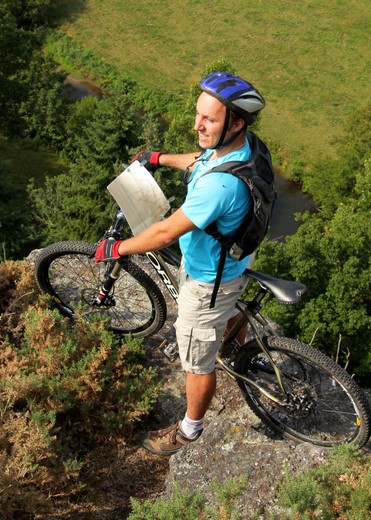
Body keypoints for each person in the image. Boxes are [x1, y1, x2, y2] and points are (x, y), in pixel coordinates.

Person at [92, 71, 271, 455]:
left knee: (195, 360)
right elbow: (202, 160)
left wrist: (117, 249)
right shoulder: (243, 148)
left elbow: (165, 234)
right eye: (197, 114)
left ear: (235, 122)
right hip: (235, 261)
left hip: (208, 281)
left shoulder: (220, 188)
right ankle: (233, 348)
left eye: (209, 119)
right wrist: (157, 158)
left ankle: (189, 430)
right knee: (225, 315)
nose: (198, 125)